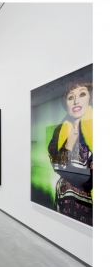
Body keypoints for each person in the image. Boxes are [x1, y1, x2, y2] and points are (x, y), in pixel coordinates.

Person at [48, 76, 93, 225]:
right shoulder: (59, 132)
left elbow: (90, 180)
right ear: (65, 103)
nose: (76, 102)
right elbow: (54, 162)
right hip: (62, 199)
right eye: (70, 97)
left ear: (90, 97)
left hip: (88, 206)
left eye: (82, 94)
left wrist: (66, 171)